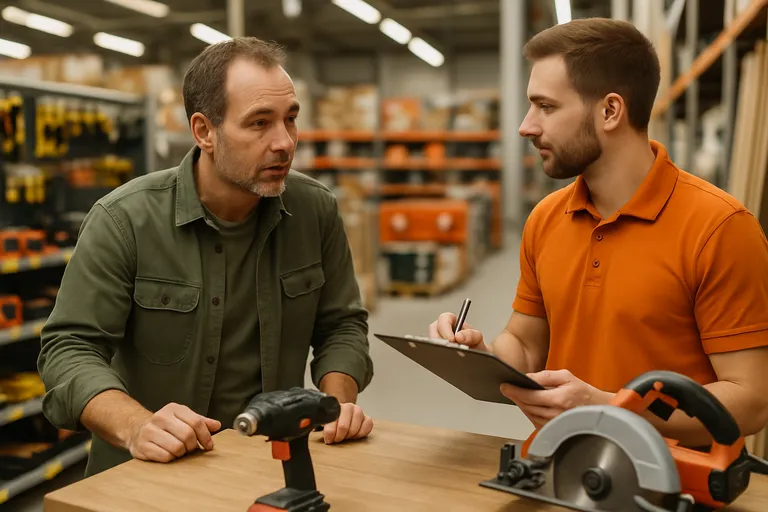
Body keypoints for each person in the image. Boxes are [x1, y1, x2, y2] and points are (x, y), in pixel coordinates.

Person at [38, 37, 374, 476]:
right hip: (147, 475)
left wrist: (338, 404)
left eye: (290, 119)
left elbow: (341, 325)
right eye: (259, 123)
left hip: (273, 468)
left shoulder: (315, 211)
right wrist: (137, 426)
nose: (285, 142)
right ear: (204, 131)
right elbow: (69, 348)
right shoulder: (124, 220)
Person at [430, 18, 768, 447]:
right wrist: (479, 358)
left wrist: (612, 405)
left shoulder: (719, 228)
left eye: (546, 107)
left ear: (610, 111)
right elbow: (525, 344)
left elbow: (750, 400)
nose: (526, 126)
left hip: (669, 486)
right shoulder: (546, 218)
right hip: (559, 466)